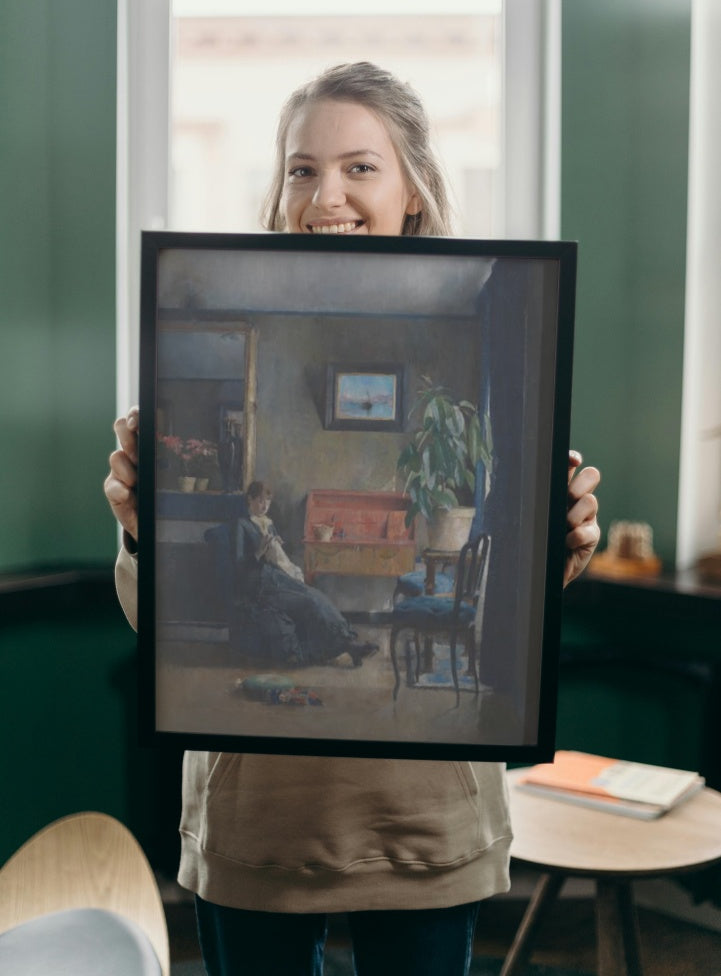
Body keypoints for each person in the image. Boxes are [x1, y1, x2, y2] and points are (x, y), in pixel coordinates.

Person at [105, 61, 601, 976]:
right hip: (256, 823)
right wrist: (138, 531)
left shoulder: (513, 304)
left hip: (424, 823)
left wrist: (556, 551)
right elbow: (159, 626)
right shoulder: (196, 309)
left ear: (413, 188)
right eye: (301, 168)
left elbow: (528, 615)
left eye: (359, 167)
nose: (324, 194)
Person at [234, 479, 379, 667]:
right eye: (260, 501)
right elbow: (239, 566)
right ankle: (349, 647)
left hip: (279, 577)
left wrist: (278, 551)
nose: (264, 506)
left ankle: (349, 643)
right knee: (310, 602)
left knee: (316, 596)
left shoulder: (268, 524)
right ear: (249, 500)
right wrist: (259, 552)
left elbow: (279, 558)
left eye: (267, 501)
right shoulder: (242, 525)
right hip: (260, 584)